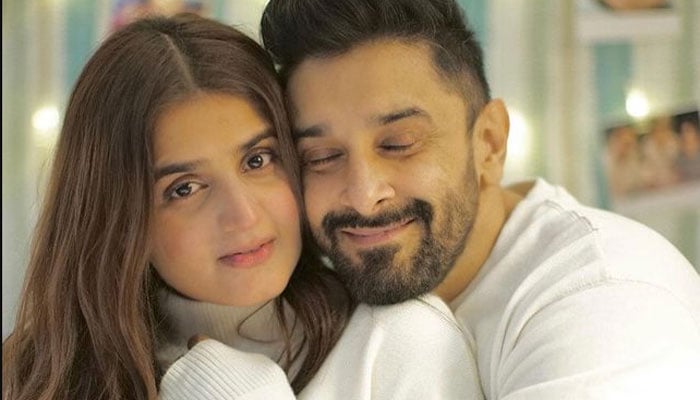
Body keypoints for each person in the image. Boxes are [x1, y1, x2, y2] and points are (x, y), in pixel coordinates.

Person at [2, 13, 482, 400]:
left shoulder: (398, 340)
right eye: (185, 188)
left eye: (258, 160)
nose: (244, 216)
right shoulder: (32, 378)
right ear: (118, 219)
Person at [256, 0, 700, 398]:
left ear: (489, 143)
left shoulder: (607, 299)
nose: (363, 195)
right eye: (322, 157)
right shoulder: (308, 305)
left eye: (399, 144)